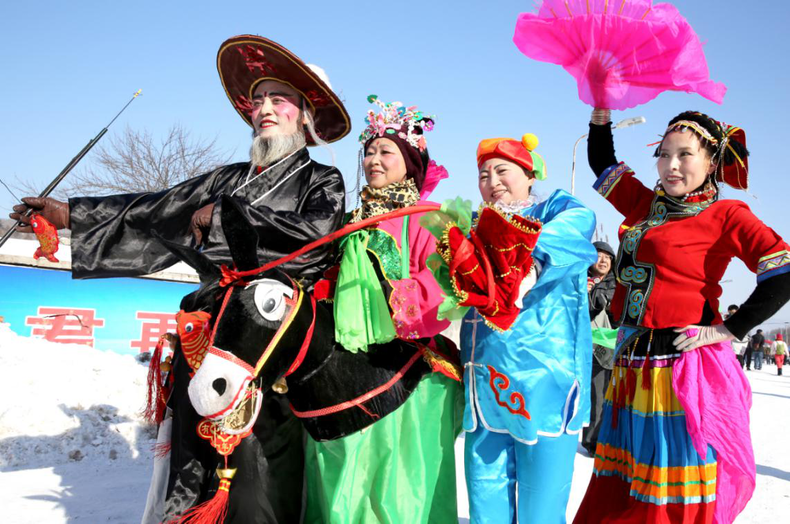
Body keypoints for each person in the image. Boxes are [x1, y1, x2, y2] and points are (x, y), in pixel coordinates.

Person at [11, 35, 350, 523]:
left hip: (265, 340)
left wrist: (229, 216)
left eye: (279, 99)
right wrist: (71, 215)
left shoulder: (323, 182)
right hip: (205, 329)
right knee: (191, 467)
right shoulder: (226, 178)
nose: (265, 109)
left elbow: (313, 239)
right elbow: (157, 208)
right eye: (258, 101)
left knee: (256, 473)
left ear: (304, 115)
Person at [575, 109, 790, 524]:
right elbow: (602, 163)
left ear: (712, 162)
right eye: (663, 154)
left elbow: (781, 271)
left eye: (685, 155)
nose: (671, 165)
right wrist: (600, 116)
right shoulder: (643, 202)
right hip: (632, 362)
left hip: (680, 367)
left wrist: (726, 330)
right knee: (626, 481)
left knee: (669, 486)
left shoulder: (727, 215)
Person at [303, 96, 462, 523]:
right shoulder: (348, 218)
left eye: (385, 151)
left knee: (398, 481)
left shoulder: (429, 218)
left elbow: (445, 286)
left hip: (403, 366)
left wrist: (397, 306)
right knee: (341, 471)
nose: (373, 159)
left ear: (410, 162)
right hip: (343, 365)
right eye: (369, 151)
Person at [456, 133, 597, 523]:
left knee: (541, 507)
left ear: (529, 173)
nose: (492, 181)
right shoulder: (475, 225)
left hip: (545, 385)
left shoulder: (556, 208)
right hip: (486, 383)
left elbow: (578, 227)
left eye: (502, 170)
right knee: (486, 499)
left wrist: (528, 260)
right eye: (484, 174)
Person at [582, 241, 617, 454]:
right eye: (598, 255)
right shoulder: (578, 278)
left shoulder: (618, 284)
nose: (603, 261)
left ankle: (594, 442)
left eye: (608, 257)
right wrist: (580, 291)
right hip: (580, 343)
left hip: (605, 345)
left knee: (600, 395)